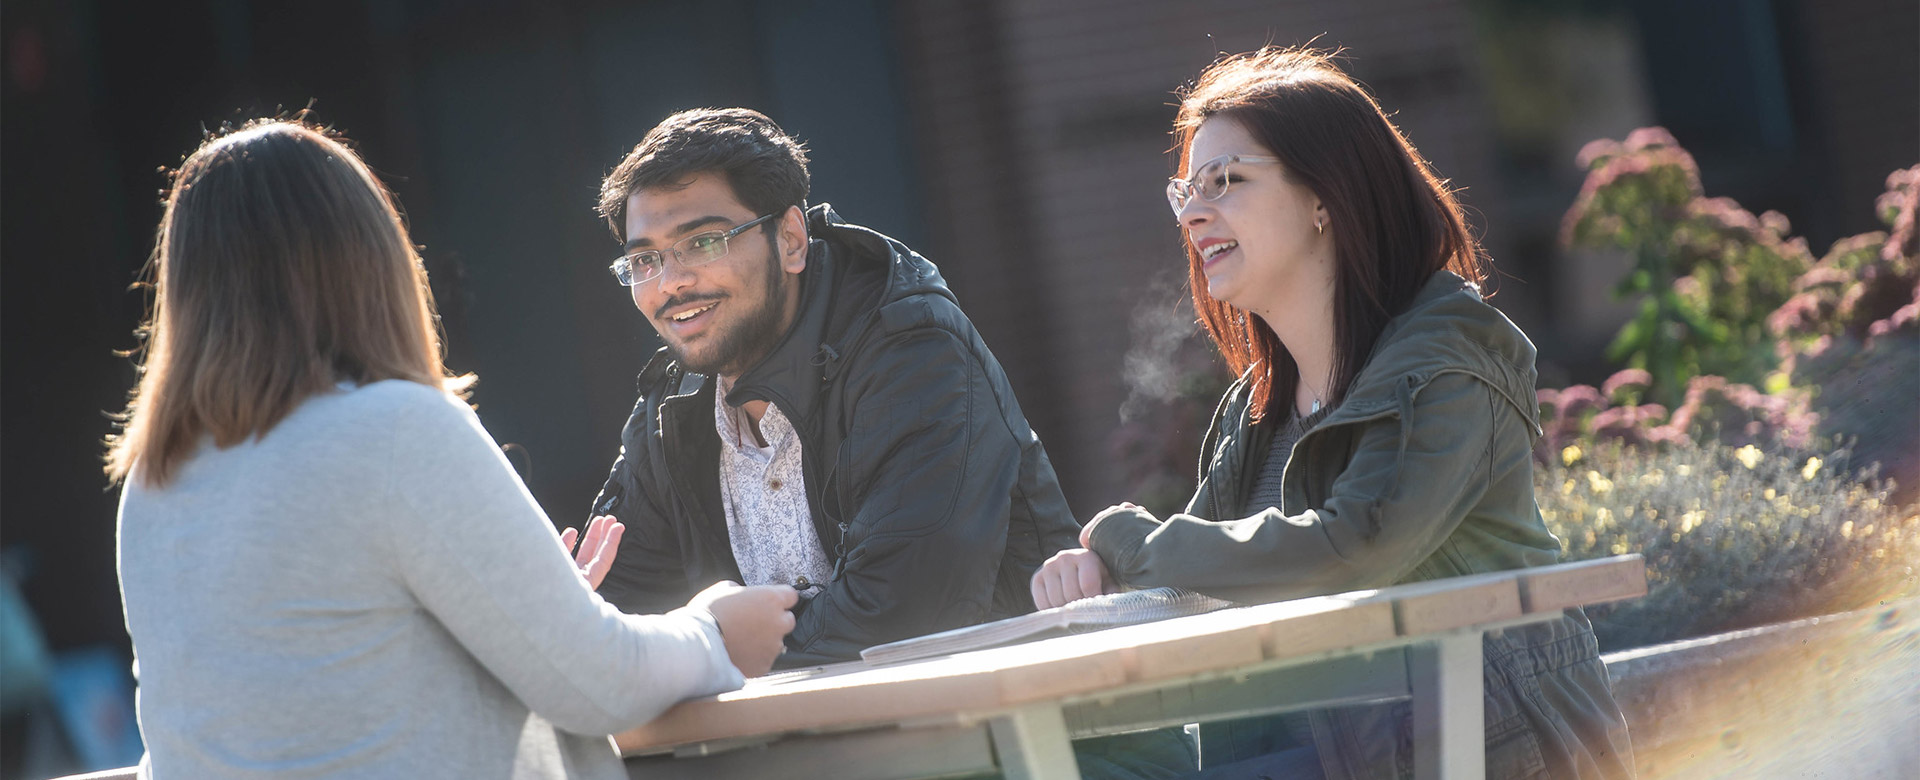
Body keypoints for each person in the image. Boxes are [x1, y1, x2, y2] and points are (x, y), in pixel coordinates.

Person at [107, 119, 798, 780]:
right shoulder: (392, 429)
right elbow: (598, 684)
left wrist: (523, 610)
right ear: (368, 258)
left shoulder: (155, 482)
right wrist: (711, 631)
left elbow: (286, 709)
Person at [1031, 48, 1636, 778]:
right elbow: (1195, 580)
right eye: (1185, 190)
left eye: (1224, 181)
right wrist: (1098, 573)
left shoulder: (1449, 362)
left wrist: (1133, 541)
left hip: (1474, 747)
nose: (1193, 211)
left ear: (1326, 197)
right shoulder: (1253, 410)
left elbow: (1355, 548)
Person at [585, 108, 1087, 667]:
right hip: (804, 748)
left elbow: (898, 621)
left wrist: (710, 648)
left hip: (1043, 734)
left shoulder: (915, 357)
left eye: (702, 243)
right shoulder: (669, 412)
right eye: (643, 260)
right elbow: (611, 623)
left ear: (792, 240)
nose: (671, 283)